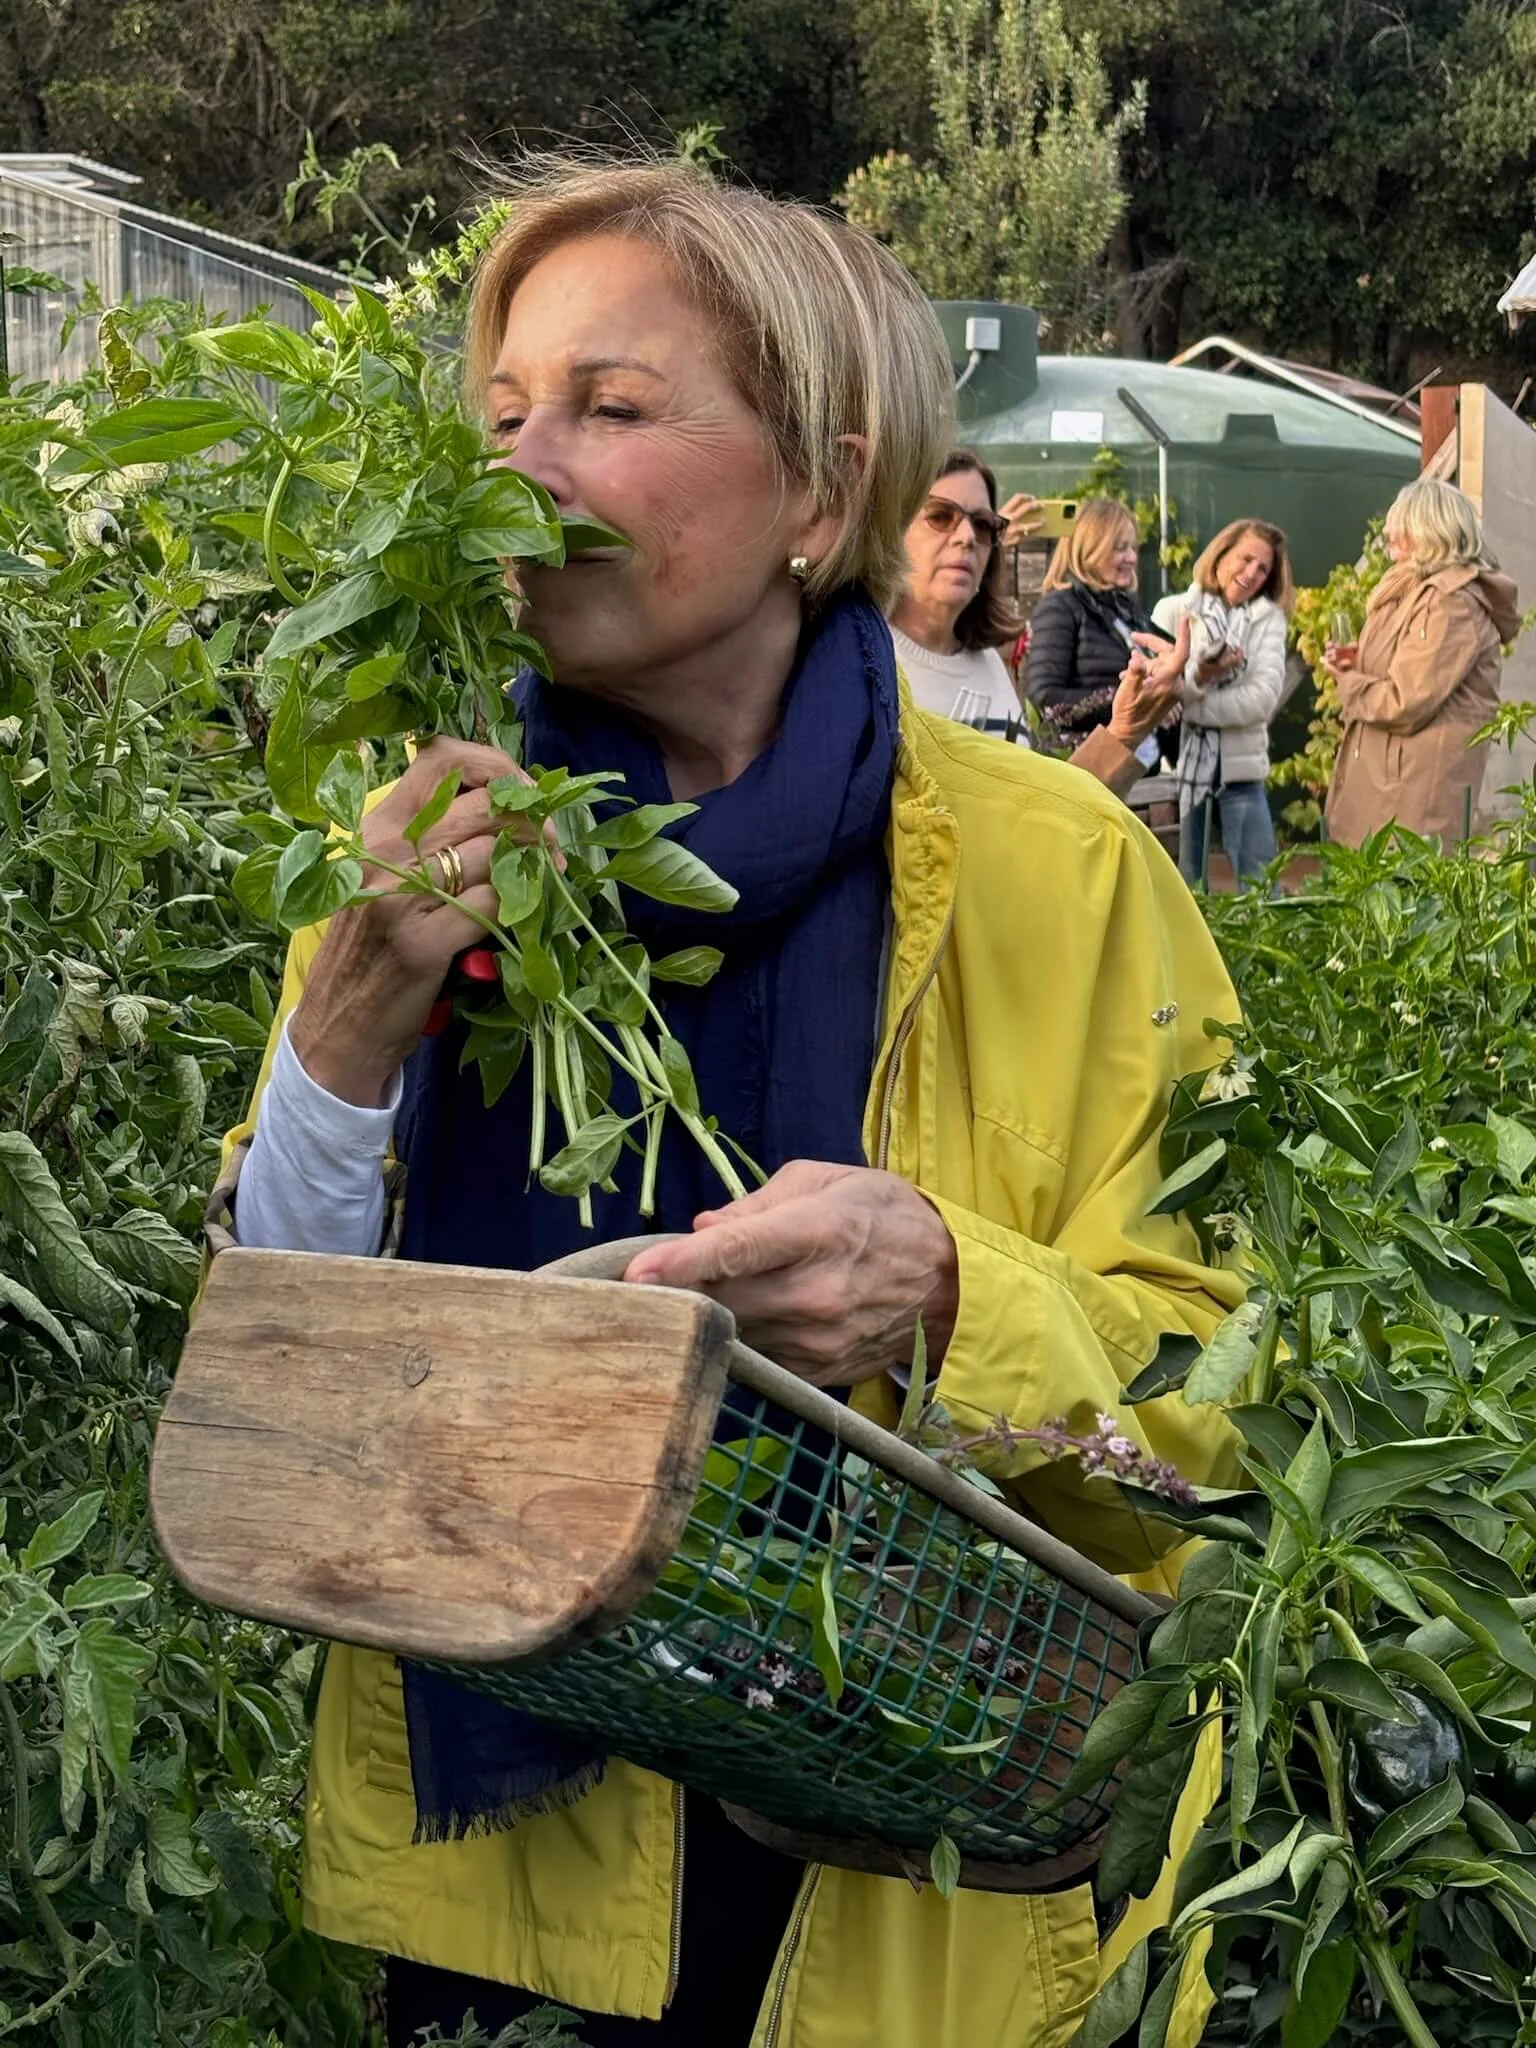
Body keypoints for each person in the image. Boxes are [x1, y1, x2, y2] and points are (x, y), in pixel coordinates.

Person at [217, 155, 1242, 2048]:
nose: (521, 469)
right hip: (515, 1886)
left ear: (820, 493)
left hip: (904, 1864)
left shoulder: (1065, 871)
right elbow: (278, 1379)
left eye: (612, 409)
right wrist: (354, 1015)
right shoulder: (426, 843)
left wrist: (950, 1292)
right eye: (503, 412)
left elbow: (1232, 1411)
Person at [890, 452, 1185, 797]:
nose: (967, 536)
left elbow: (1034, 806)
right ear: (892, 530)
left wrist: (1128, 726)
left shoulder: (988, 663)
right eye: (940, 516)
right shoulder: (865, 658)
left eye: (984, 524)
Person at [1323, 478, 1521, 848]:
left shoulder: (1450, 603)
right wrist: (1358, 660)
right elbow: (1409, 665)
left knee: (1405, 898)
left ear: (1431, 529)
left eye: (1402, 524)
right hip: (1389, 786)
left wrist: (1348, 683)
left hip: (1409, 799)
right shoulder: (1411, 589)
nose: (1389, 532)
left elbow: (1407, 700)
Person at [1151, 520, 1294, 887]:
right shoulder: (1172, 611)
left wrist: (1192, 704)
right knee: (1183, 891)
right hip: (1180, 774)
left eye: (1263, 568)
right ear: (1221, 554)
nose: (1252, 574)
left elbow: (1261, 700)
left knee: (1264, 892)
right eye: (1245, 559)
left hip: (1241, 777)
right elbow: (1157, 689)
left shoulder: (1268, 621)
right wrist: (1202, 676)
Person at [1023, 497, 1177, 775]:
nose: (1131, 557)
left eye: (1132, 547)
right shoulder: (1061, 607)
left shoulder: (1126, 608)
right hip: (1089, 772)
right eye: (1119, 548)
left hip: (1140, 773)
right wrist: (1132, 702)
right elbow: (1044, 697)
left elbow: (1171, 658)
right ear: (1089, 549)